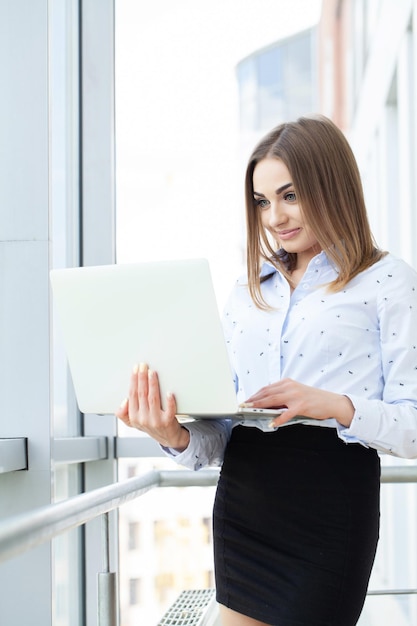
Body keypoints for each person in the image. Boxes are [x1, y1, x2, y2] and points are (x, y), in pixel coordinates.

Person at [116, 115, 417, 626]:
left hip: (331, 508)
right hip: (245, 503)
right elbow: (224, 431)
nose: (274, 216)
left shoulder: (387, 282)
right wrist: (175, 435)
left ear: (331, 186)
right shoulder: (248, 289)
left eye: (290, 195)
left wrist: (337, 406)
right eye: (261, 201)